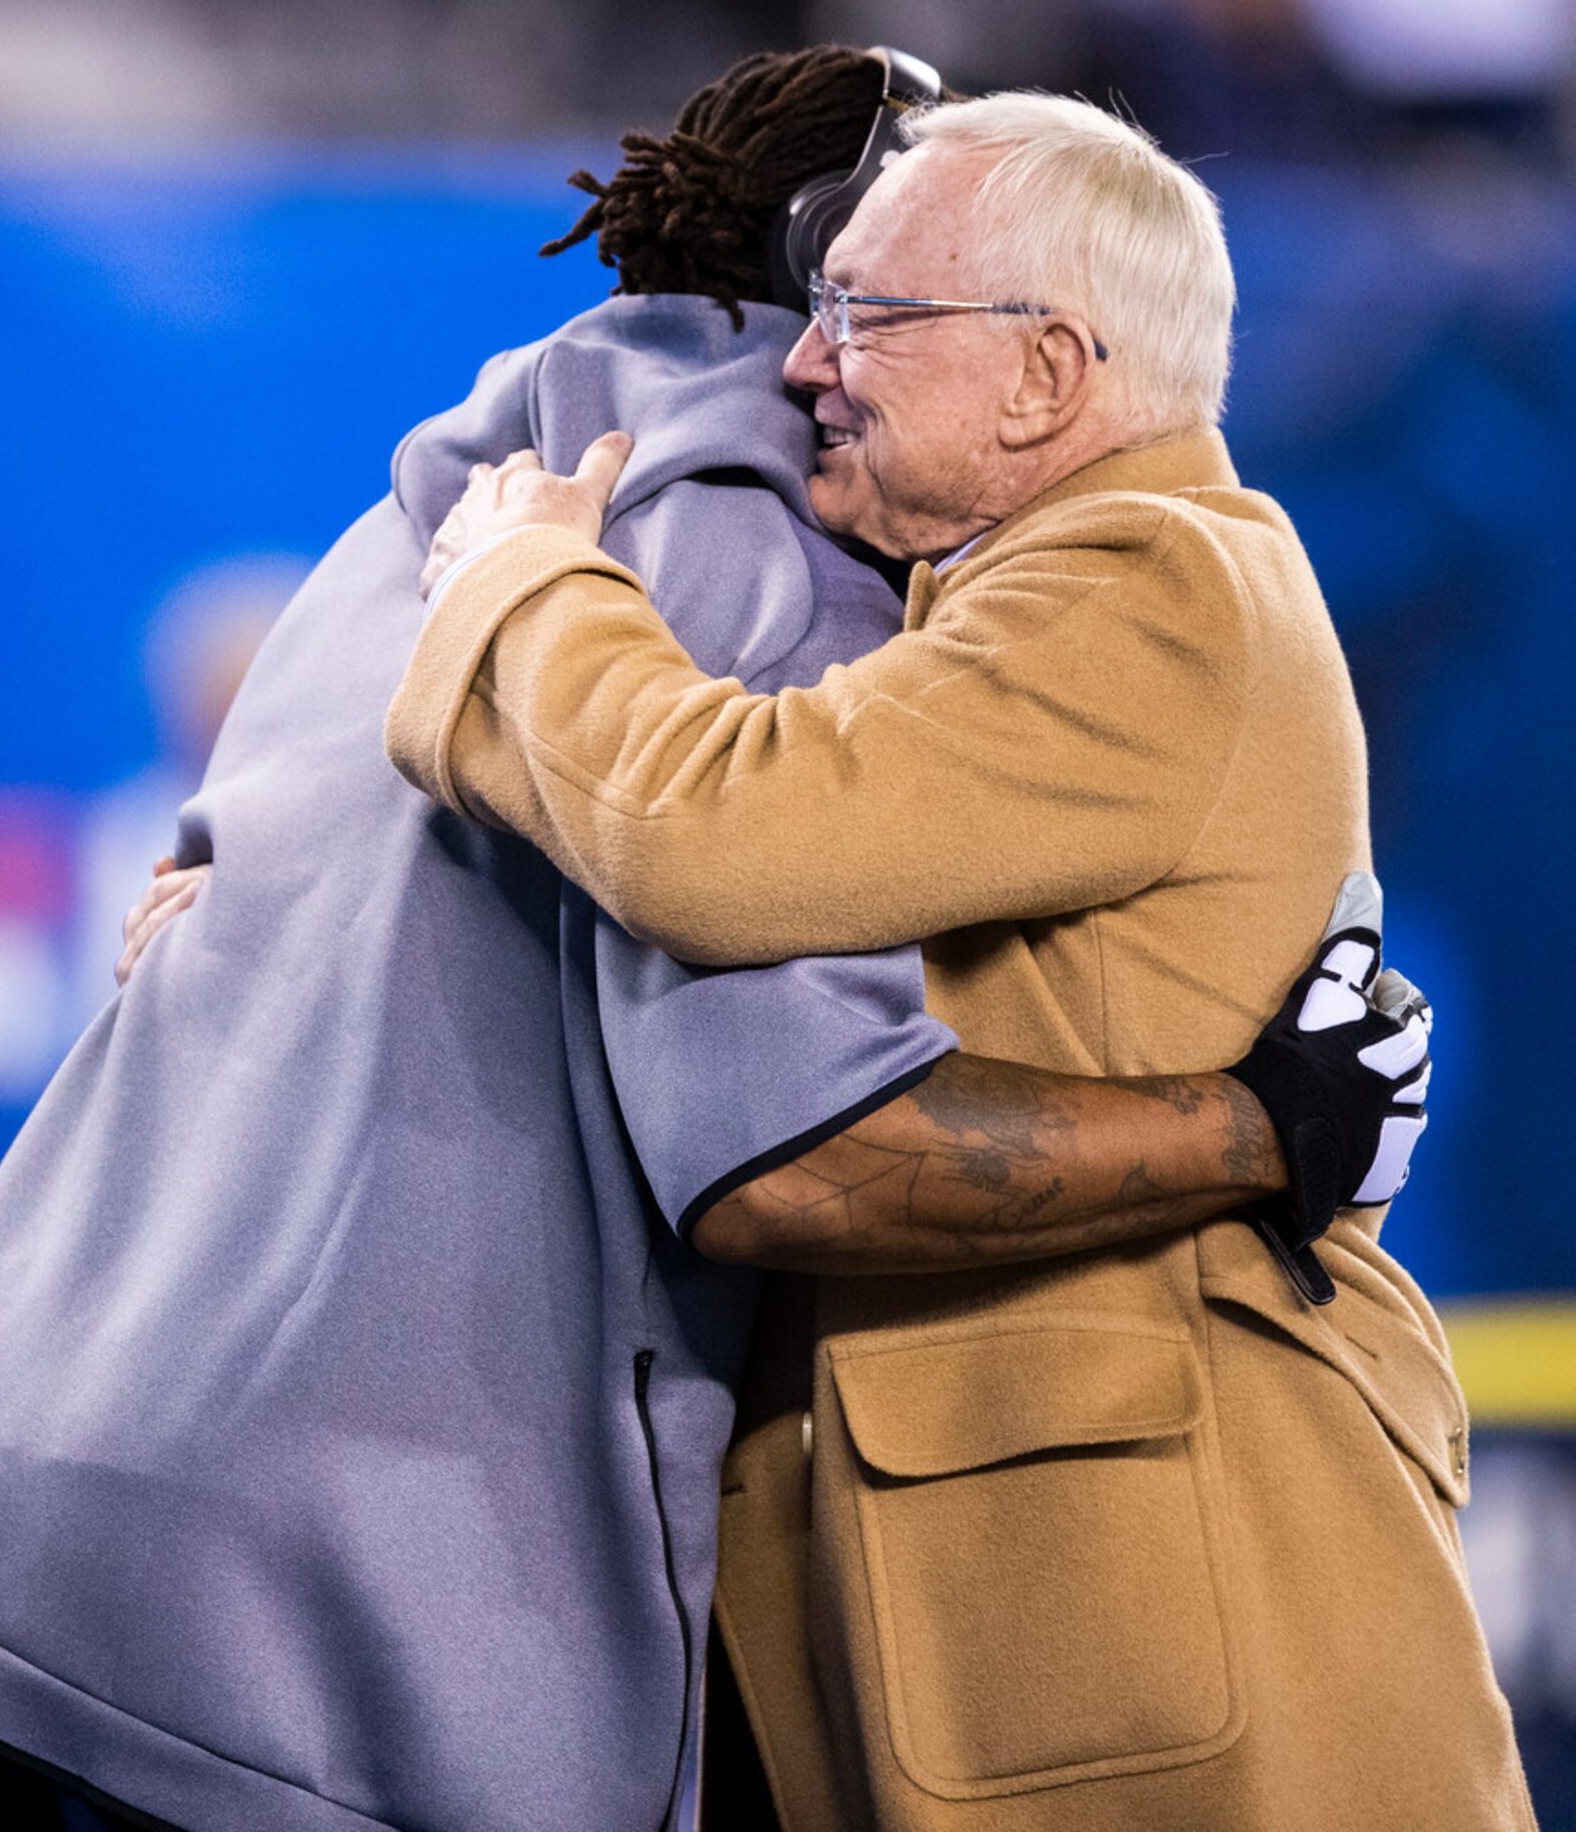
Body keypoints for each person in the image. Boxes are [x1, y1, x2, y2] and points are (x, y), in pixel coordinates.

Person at [0, 50, 1427, 1832]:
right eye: (844, 295)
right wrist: (1260, 1124)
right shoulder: (726, 576)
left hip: (44, 1512)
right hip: (316, 1655)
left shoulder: (412, 523)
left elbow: (196, 892)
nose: (829, 362)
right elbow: (791, 1154)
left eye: (880, 313)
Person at [384, 90, 1534, 1828]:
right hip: (1086, 1634)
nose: (802, 364)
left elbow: (721, 834)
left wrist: (526, 593)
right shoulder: (1034, 591)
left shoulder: (1153, 579)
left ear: (1047, 376)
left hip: (1184, 1631)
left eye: (867, 312)